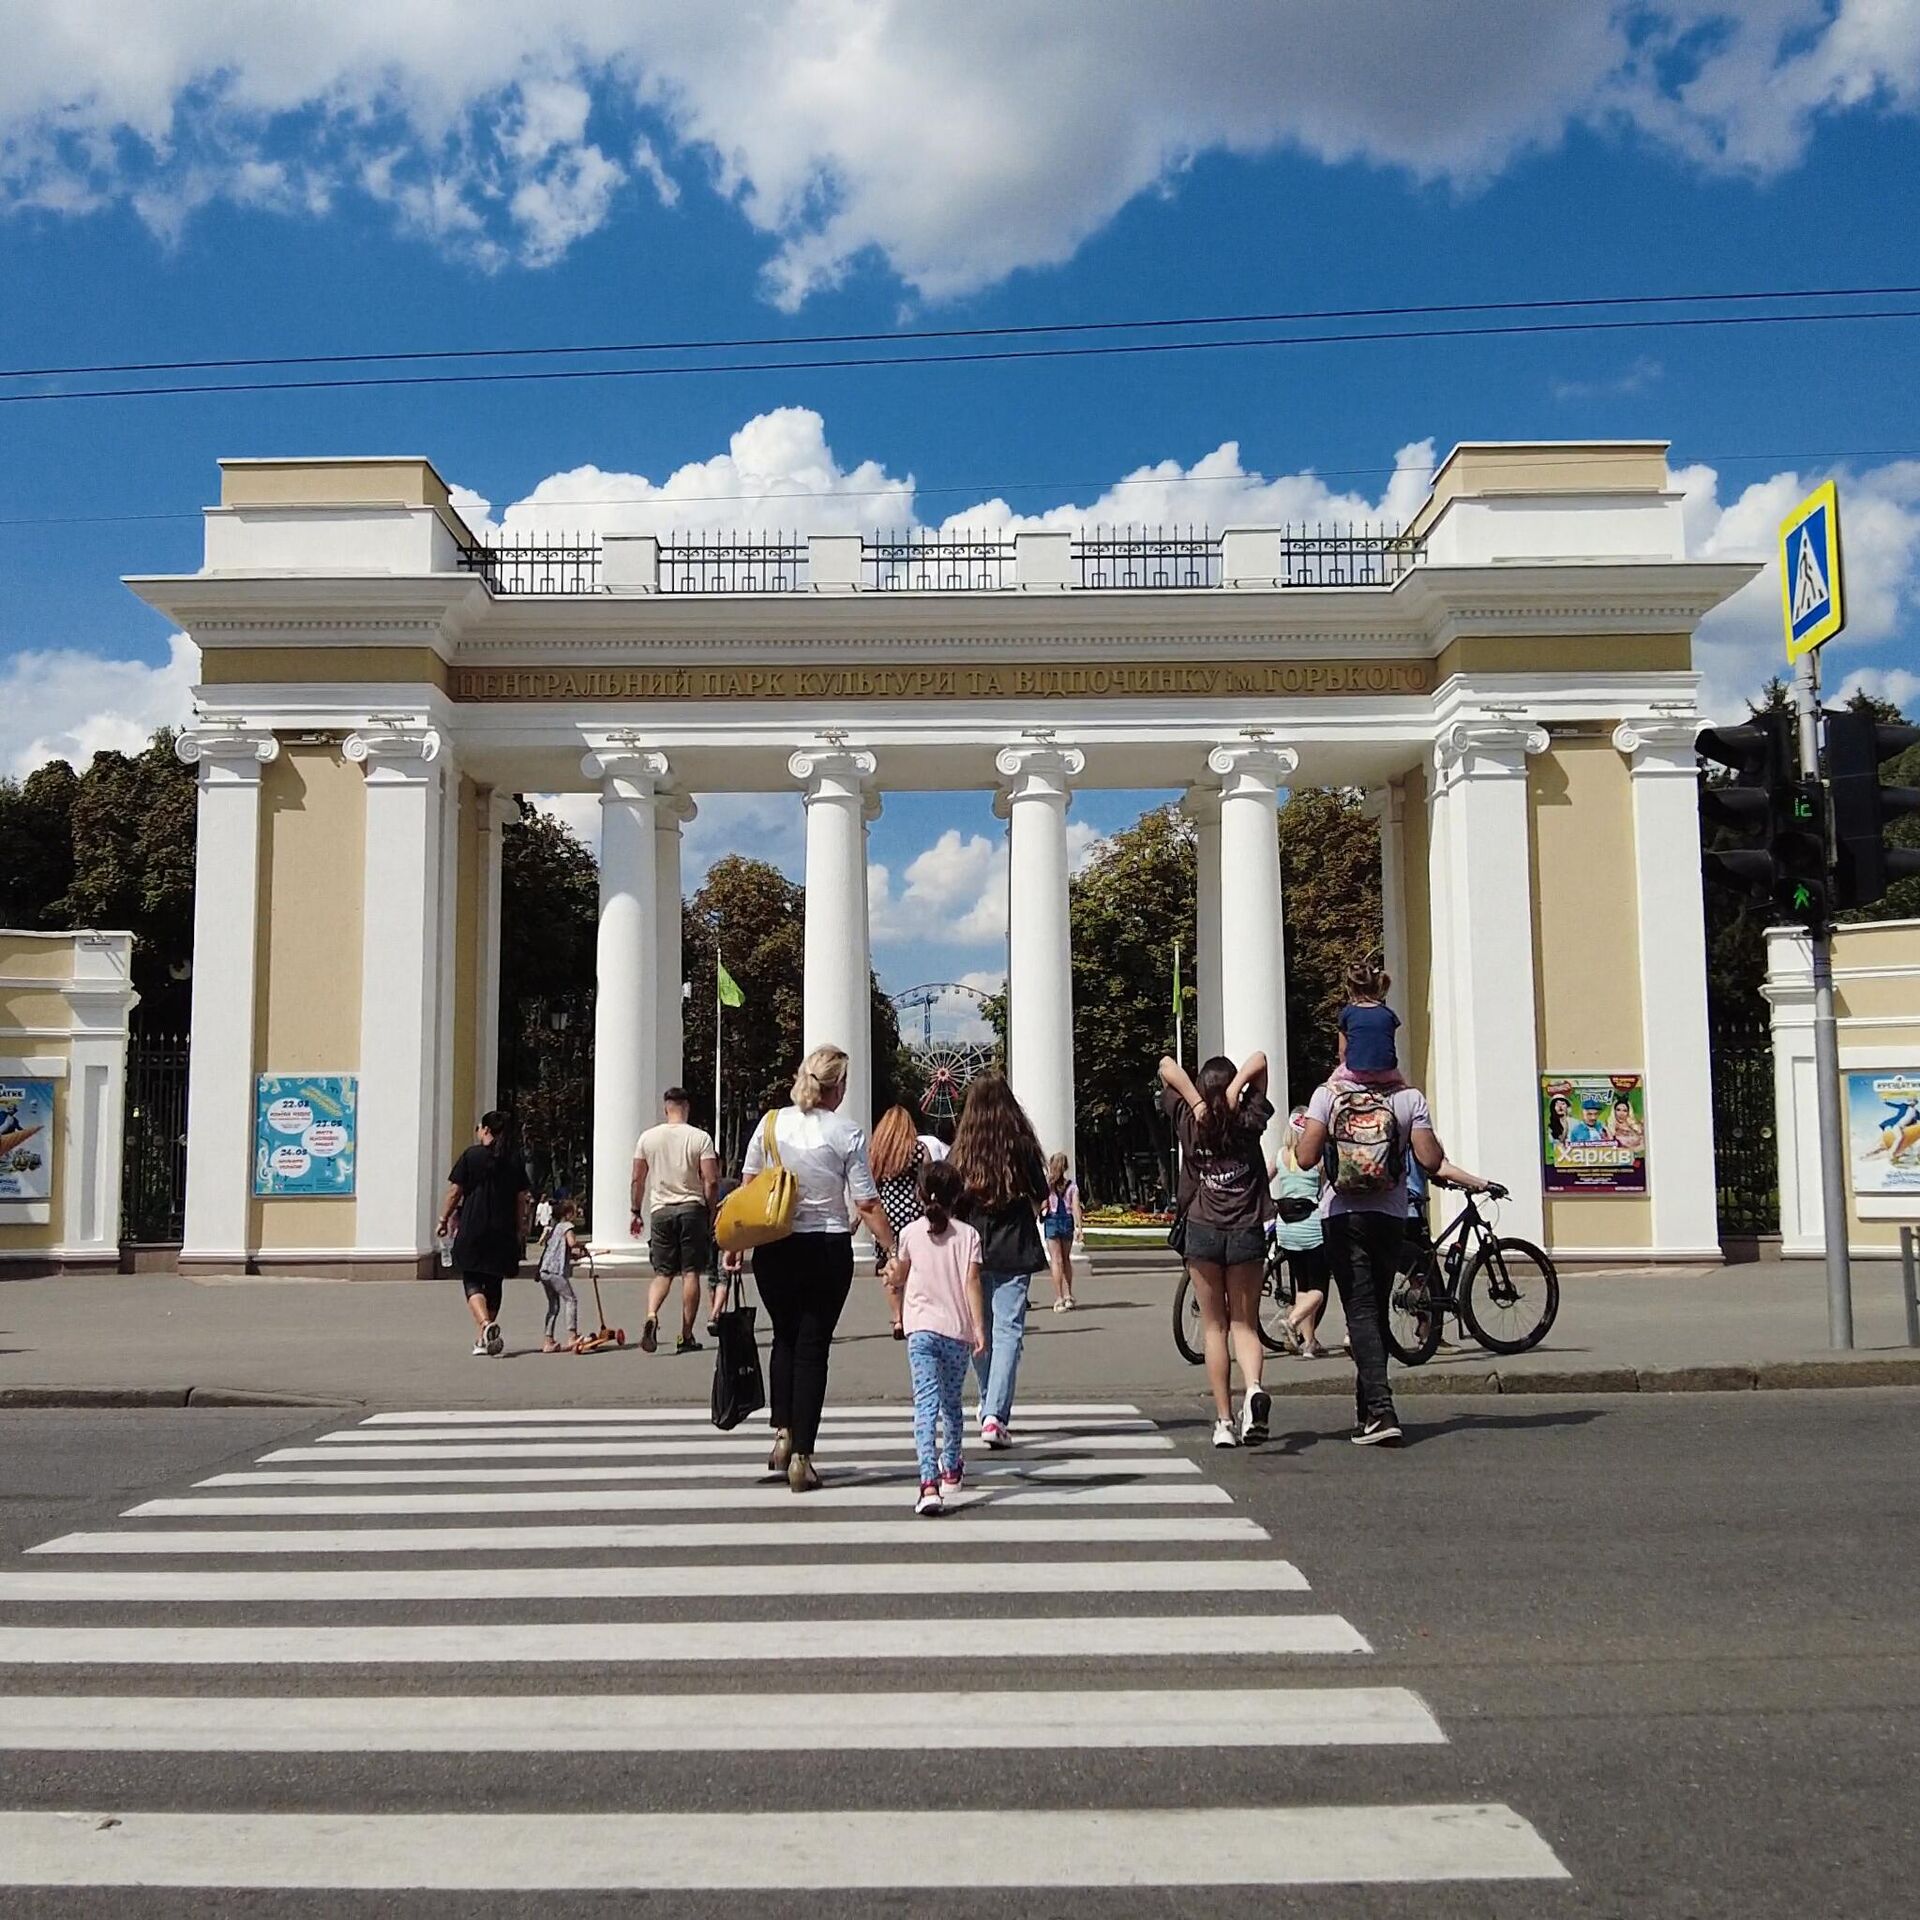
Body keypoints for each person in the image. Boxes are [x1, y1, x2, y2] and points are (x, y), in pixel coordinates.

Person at [1295, 1076, 1491, 1445]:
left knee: (1361, 1312)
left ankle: (1381, 1412)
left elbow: (1305, 1158)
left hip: (1341, 1215)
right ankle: (1368, 1411)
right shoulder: (1408, 1098)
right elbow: (1431, 1160)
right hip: (1390, 1215)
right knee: (1375, 1312)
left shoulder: (1326, 1095)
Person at [743, 1045, 899, 1492]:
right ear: (839, 1086)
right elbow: (866, 1203)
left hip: (774, 1245)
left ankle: (782, 1433)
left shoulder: (771, 1123)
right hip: (827, 1247)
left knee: (784, 1338)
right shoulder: (846, 1132)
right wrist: (892, 1248)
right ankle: (803, 1457)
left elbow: (750, 1186)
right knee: (814, 1347)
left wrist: (736, 1244)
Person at [1160, 1051, 1274, 1447]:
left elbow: (1165, 1066)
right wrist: (1235, 1089)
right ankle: (1254, 1388)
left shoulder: (1190, 1125)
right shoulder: (1248, 1122)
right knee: (1245, 1325)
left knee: (1214, 1329)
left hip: (1203, 1230)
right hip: (1246, 1231)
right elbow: (1260, 1059)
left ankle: (1225, 1421)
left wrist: (1199, 1102)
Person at [949, 1074, 1048, 1450]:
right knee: (1009, 1332)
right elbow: (1040, 1194)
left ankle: (989, 1401)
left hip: (972, 1246)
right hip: (1015, 1245)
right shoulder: (1020, 1143)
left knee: (980, 1330)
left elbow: (953, 1198)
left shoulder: (963, 1148)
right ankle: (995, 1414)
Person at [889, 1159, 987, 1515]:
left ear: (919, 1193)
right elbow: (972, 1283)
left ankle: (927, 1483)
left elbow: (900, 1276)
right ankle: (952, 1467)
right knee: (951, 1403)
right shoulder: (969, 1236)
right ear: (957, 1195)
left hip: (920, 1330)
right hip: (956, 1332)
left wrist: (892, 1278)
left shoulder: (910, 1234)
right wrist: (979, 1329)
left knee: (925, 1406)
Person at [630, 1088, 720, 1355]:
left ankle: (651, 1314)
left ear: (665, 1108)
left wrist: (635, 1210)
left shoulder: (648, 1138)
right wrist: (712, 1211)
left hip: (660, 1210)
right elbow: (711, 1181)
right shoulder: (700, 1137)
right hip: (692, 1209)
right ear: (687, 1107)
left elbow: (637, 1179)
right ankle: (686, 1335)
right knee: (690, 1272)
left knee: (663, 1273)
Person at [437, 1109, 532, 1357]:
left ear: (486, 1130)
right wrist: (520, 1227)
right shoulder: (513, 1160)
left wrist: (443, 1219)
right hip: (502, 1228)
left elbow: (454, 1191)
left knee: (472, 1278)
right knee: (495, 1280)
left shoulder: (472, 1155)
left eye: (479, 1127)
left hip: (473, 1225)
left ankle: (485, 1325)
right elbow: (520, 1198)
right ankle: (482, 1339)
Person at [1271, 1108, 1330, 1359]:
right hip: (1312, 1226)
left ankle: (1309, 1343)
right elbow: (1330, 1188)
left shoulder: (1280, 1155)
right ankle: (1293, 1320)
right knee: (1319, 1288)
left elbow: (1263, 1179)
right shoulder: (1317, 1159)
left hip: (1286, 1228)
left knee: (1302, 1287)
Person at [869, 1105, 932, 1341]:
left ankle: (898, 1318)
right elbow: (928, 1180)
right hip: (914, 1213)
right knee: (915, 1265)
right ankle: (914, 1312)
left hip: (887, 1215)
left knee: (890, 1265)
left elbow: (870, 1184)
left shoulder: (877, 1150)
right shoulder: (917, 1149)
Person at [1335, 959, 1405, 1088]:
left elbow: (1342, 1050)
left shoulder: (1347, 1013)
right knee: (1405, 1088)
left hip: (1356, 1072)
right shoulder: (1388, 1014)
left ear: (1349, 988)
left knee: (1327, 1089)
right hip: (1387, 1073)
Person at [535, 1197, 588, 1352]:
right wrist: (582, 1247)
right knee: (571, 1299)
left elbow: (563, 1251)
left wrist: (578, 1255)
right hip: (556, 1271)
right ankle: (572, 1336)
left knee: (554, 1306)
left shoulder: (556, 1228)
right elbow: (571, 1244)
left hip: (545, 1270)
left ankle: (548, 1340)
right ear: (569, 1213)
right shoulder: (567, 1226)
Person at [1040, 1153, 1083, 1311]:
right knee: (1066, 1259)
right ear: (1065, 1167)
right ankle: (1068, 1294)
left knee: (1056, 1260)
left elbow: (1043, 1205)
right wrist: (1079, 1228)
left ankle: (1058, 1298)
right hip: (1067, 1222)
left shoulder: (1047, 1185)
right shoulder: (1072, 1186)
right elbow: (1076, 1207)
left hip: (1052, 1221)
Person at [706, 1160, 743, 1331]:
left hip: (707, 1235)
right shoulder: (733, 1186)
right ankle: (715, 1314)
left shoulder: (702, 1189)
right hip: (727, 1234)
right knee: (723, 1276)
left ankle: (714, 1312)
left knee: (712, 1276)